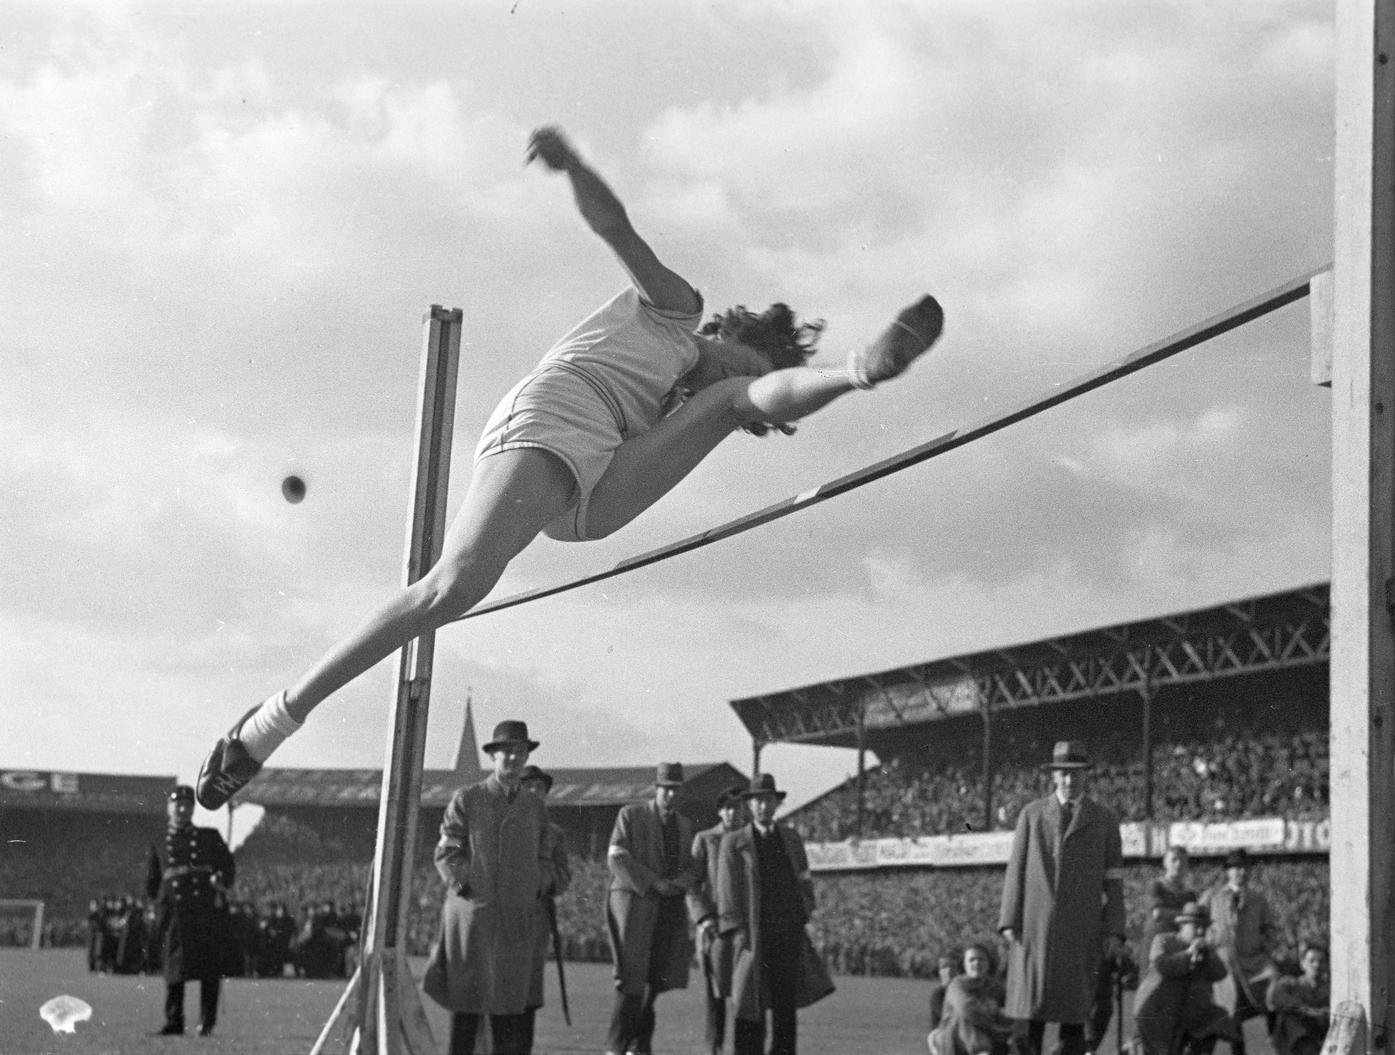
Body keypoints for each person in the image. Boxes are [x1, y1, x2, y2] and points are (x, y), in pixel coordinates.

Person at [193, 124, 945, 811]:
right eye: (741, 362)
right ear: (729, 331)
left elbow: (745, 397)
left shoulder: (695, 404)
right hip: (561, 414)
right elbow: (614, 227)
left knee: (729, 405)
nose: (724, 384)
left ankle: (861, 373)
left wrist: (758, 394)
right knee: (449, 587)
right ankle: (266, 725)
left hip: (597, 482)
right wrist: (575, 166)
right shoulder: (677, 315)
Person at [422, 720, 556, 1055]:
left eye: (520, 752)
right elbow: (446, 851)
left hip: (515, 920)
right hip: (474, 921)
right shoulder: (468, 798)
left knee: (508, 1013)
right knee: (467, 1013)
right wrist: (468, 886)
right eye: (506, 752)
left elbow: (545, 857)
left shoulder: (535, 806)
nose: (513, 759)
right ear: (493, 756)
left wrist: (534, 886)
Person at [997, 741, 1126, 1055]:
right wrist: (1009, 920)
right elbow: (1016, 870)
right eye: (1063, 774)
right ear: (1054, 776)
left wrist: (1114, 929)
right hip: (1035, 929)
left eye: (1076, 774)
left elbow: (1114, 881)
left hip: (1080, 932)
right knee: (1029, 1021)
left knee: (1074, 1022)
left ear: (1086, 776)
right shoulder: (1032, 814)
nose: (1069, 781)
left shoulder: (1105, 820)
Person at [716, 773, 834, 1055]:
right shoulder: (733, 843)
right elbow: (727, 894)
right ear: (749, 805)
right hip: (752, 936)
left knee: (785, 1006)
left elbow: (805, 881)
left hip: (787, 934)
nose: (762, 807)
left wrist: (802, 913)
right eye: (757, 801)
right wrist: (739, 934)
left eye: (768, 800)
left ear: (776, 804)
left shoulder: (791, 839)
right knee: (749, 1002)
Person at [605, 762, 699, 1055]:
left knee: (655, 980)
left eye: (675, 790)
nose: (670, 795)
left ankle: (640, 1046)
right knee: (631, 980)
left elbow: (691, 867)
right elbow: (617, 857)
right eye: (665, 789)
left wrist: (678, 883)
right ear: (656, 789)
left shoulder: (684, 825)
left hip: (668, 909)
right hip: (635, 905)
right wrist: (653, 883)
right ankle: (617, 1046)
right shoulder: (631, 815)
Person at [145, 785, 235, 1037]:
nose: (183, 810)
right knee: (174, 970)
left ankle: (207, 1022)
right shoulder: (160, 843)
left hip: (203, 911)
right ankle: (174, 1021)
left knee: (209, 969)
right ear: (169, 809)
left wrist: (221, 880)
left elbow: (228, 867)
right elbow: (153, 881)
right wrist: (156, 906)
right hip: (174, 913)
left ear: (193, 809)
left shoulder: (209, 837)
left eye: (187, 805)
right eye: (178, 805)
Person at [1199, 850, 1280, 1055]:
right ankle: (1238, 1050)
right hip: (1223, 963)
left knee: (1273, 987)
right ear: (1228, 872)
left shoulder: (1257, 898)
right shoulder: (1213, 896)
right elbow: (1196, 922)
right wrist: (1210, 940)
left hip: (1253, 962)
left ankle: (1275, 1039)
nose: (1241, 872)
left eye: (1245, 868)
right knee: (1231, 1007)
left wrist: (1264, 946)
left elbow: (1270, 927)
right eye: (1236, 868)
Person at [688, 785, 748, 1055]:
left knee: (745, 991)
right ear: (720, 811)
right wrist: (703, 918)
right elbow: (692, 884)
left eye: (738, 807)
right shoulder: (705, 839)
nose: (733, 813)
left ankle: (741, 1048)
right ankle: (714, 1047)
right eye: (728, 807)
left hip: (745, 928)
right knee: (716, 992)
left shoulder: (751, 839)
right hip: (715, 926)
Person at [1132, 902, 1237, 1055]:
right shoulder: (1163, 941)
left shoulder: (1204, 950)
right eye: (1196, 927)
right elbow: (1163, 966)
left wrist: (1208, 954)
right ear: (1183, 926)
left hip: (1189, 1012)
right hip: (1156, 1010)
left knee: (1217, 1021)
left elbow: (1220, 973)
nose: (1200, 932)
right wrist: (1188, 954)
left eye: (1204, 928)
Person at [520, 763, 571, 1054]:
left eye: (539, 788)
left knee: (530, 989)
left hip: (538, 914)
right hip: (505, 915)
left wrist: (546, 879)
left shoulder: (555, 834)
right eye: (528, 786)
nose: (534, 792)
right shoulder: (505, 825)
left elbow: (564, 874)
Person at [930, 942, 1012, 1055]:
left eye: (981, 959)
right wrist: (993, 1014)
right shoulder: (957, 985)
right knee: (962, 1016)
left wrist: (999, 1015)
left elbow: (1009, 1014)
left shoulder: (997, 988)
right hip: (955, 1040)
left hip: (991, 1036)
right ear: (964, 964)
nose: (976, 963)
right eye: (971, 960)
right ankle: (981, 1050)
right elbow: (967, 1009)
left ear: (989, 963)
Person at [1266, 943, 1330, 1055]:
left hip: (1322, 1038)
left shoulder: (1330, 989)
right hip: (1294, 1043)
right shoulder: (1289, 984)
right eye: (1312, 961)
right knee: (1291, 1020)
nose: (1316, 965)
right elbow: (1279, 1001)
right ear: (1302, 964)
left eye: (1321, 961)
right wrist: (1311, 1012)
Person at [932, 949, 963, 1030]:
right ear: (939, 971)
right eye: (944, 967)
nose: (949, 970)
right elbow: (946, 1017)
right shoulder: (938, 994)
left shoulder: (964, 991)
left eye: (952, 966)